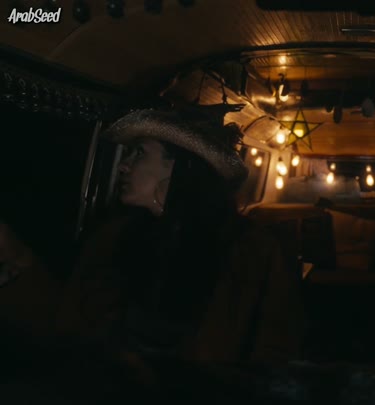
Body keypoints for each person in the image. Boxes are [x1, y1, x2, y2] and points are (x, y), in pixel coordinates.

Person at [0, 109, 305, 364]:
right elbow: (70, 323)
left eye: (140, 153)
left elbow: (272, 350)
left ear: (181, 168)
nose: (123, 165)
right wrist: (17, 258)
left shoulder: (250, 249)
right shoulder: (113, 237)